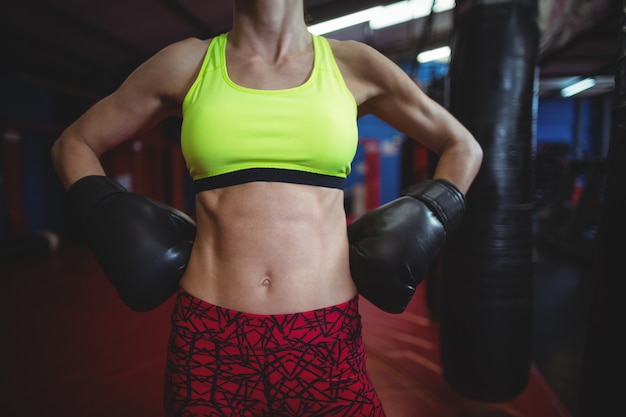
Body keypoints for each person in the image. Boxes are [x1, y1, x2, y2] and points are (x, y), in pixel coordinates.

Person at [51, 0, 483, 415]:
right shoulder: (186, 64)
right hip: (210, 336)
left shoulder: (354, 66)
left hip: (326, 336)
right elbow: (74, 144)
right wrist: (106, 213)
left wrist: (429, 215)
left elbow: (463, 147)